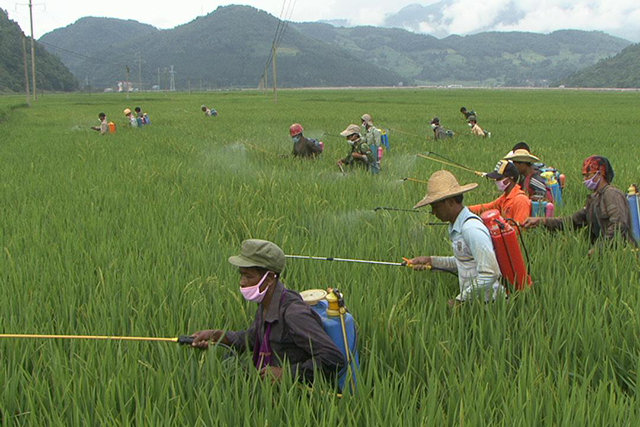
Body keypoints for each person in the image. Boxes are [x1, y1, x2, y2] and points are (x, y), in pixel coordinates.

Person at [190, 239, 345, 383]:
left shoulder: (293, 314)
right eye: (241, 275)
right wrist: (217, 336)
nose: (242, 282)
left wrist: (287, 373)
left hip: (295, 396)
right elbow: (252, 338)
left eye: (248, 276)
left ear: (270, 277)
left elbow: (333, 358)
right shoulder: (267, 303)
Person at [408, 170, 502, 304]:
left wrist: (460, 300)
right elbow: (464, 262)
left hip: (491, 304)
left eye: (436, 207)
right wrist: (431, 261)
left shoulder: (471, 229)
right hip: (476, 303)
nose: (433, 212)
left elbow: (490, 273)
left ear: (450, 202)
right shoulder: (457, 227)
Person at [523, 156, 636, 250]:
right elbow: (572, 221)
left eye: (588, 176)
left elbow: (619, 224)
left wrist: (599, 248)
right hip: (603, 253)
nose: (585, 180)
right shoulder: (594, 198)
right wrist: (541, 221)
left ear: (600, 174)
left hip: (620, 252)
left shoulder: (612, 194)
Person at [468, 160, 531, 225]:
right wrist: (466, 209)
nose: (496, 181)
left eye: (499, 178)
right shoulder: (504, 198)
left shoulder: (520, 200)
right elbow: (486, 208)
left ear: (510, 178)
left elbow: (520, 228)